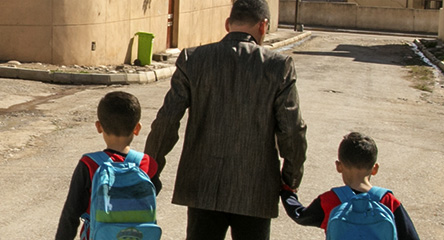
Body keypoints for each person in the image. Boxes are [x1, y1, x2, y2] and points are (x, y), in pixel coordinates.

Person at [143, 0, 308, 239]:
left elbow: (167, 120)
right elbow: (292, 130)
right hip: (256, 191)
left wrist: (151, 170)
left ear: (228, 24)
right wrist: (290, 180)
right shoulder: (278, 67)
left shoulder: (193, 59)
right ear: (263, 26)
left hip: (202, 186)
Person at [56, 91, 160, 240]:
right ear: (137, 128)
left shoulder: (89, 164)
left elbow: (70, 214)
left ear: (99, 127)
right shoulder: (147, 164)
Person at [280, 132, 419, 239]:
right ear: (375, 169)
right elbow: (410, 236)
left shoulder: (330, 200)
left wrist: (287, 192)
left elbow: (299, 215)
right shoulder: (388, 200)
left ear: (339, 166)